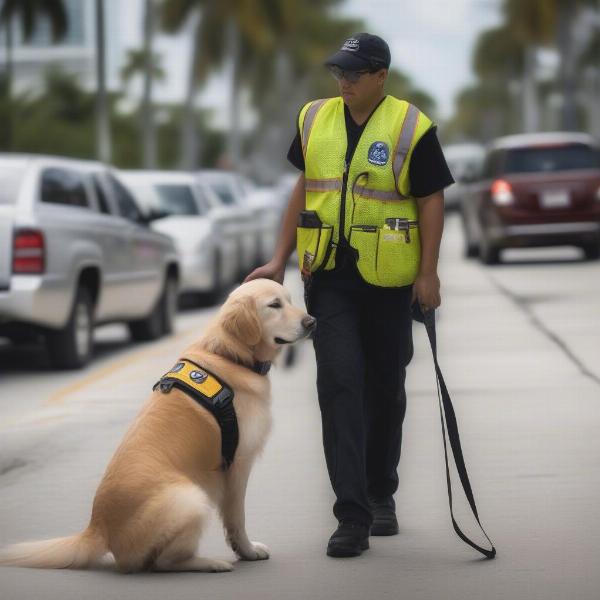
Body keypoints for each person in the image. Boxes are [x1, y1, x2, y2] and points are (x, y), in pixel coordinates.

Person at [244, 32, 453, 558]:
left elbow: (431, 199)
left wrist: (427, 273)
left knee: (384, 389)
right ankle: (351, 516)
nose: (345, 81)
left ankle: (382, 492)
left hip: (390, 280)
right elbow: (304, 188)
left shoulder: (411, 125)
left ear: (381, 76)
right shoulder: (314, 117)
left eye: (355, 74)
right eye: (340, 71)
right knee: (339, 386)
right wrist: (278, 257)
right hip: (329, 277)